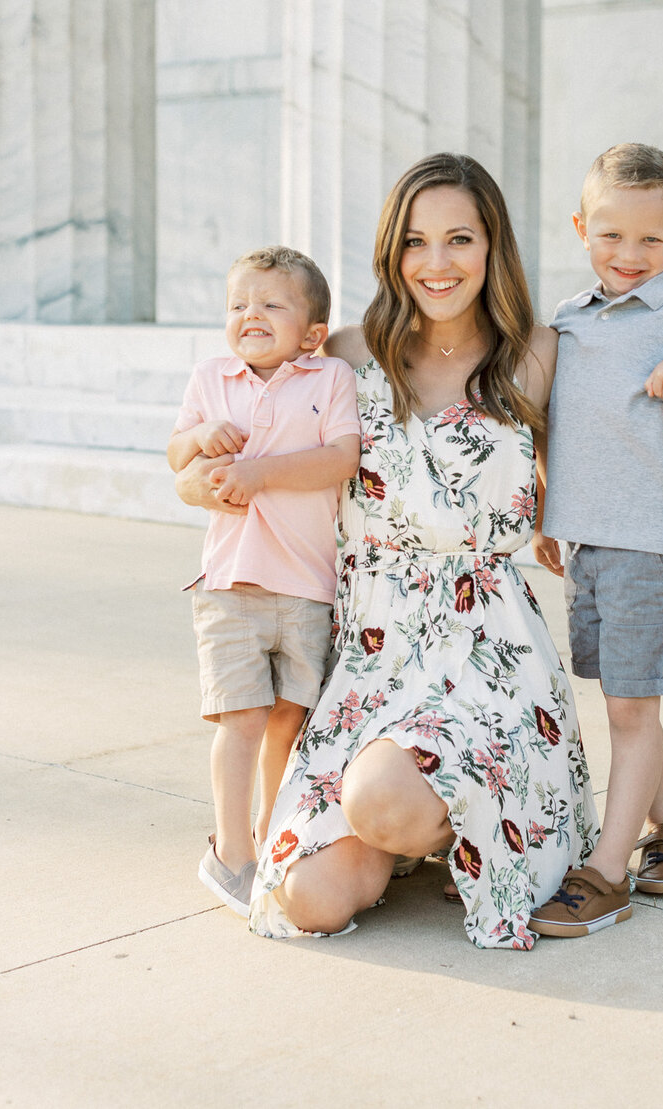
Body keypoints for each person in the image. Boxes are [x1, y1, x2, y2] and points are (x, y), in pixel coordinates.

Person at [209, 153, 600, 950]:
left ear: (492, 245)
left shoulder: (537, 352)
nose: (437, 262)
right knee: (307, 899)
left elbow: (618, 433)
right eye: (416, 242)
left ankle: (437, 813)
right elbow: (234, 418)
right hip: (372, 649)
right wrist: (199, 469)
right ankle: (423, 826)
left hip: (485, 650)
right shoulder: (347, 354)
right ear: (392, 251)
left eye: (459, 238)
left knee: (382, 795)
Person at [529, 142, 663, 938]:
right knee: (626, 695)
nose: (630, 255)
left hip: (653, 542)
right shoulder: (570, 318)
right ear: (583, 228)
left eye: (652, 240)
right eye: (612, 236)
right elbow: (562, 425)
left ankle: (606, 873)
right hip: (589, 542)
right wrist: (554, 513)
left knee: (628, 704)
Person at [168, 246, 361, 917]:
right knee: (242, 715)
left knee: (289, 721)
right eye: (238, 304)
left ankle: (274, 835)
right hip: (230, 582)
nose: (251, 313)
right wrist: (200, 436)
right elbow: (174, 454)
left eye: (271, 303)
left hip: (307, 584)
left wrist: (259, 473)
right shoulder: (212, 377)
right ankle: (231, 852)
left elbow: (341, 457)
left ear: (311, 332)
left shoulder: (329, 377)